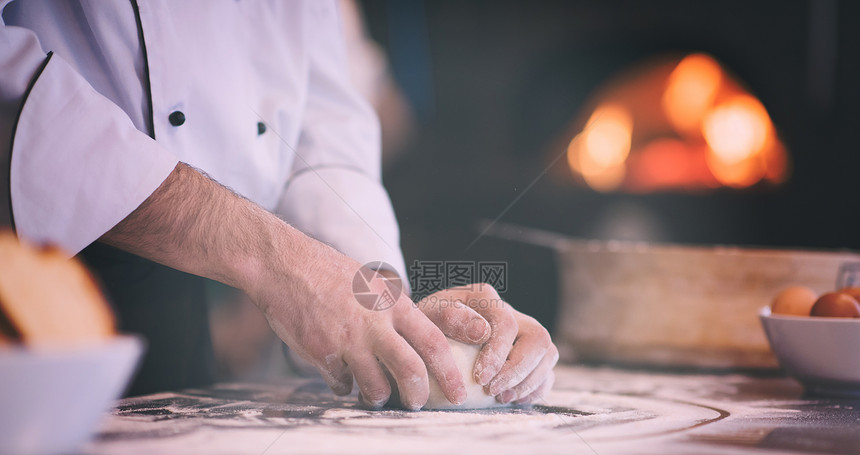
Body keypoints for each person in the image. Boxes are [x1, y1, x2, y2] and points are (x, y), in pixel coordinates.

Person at [0, 0, 557, 408]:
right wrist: (276, 260)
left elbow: (323, 131)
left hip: (183, 307)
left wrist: (389, 314)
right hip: (27, 278)